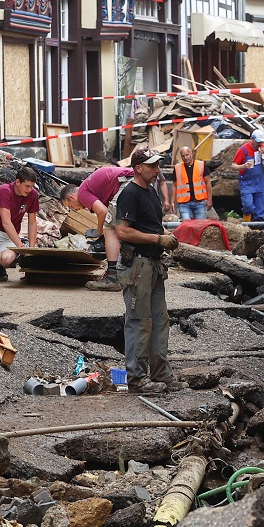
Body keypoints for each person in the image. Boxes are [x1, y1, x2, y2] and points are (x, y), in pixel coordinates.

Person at [114, 148, 185, 394]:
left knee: (159, 320)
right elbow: (122, 231)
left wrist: (164, 236)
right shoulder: (130, 194)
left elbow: (150, 225)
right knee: (139, 321)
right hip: (137, 266)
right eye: (152, 166)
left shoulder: (151, 192)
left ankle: (160, 373)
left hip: (152, 264)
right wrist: (157, 239)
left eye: (157, 166)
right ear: (138, 168)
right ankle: (136, 378)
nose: (157, 171)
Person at [60, 164, 135, 291]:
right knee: (125, 226)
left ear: (72, 197)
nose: (75, 210)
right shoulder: (92, 188)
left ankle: (112, 277)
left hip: (127, 182)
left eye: (71, 206)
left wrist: (99, 232)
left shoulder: (83, 193)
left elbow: (103, 212)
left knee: (109, 228)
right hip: (136, 179)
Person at [0, 166, 40, 284]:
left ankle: (0, 266)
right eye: (27, 186)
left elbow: (32, 222)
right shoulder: (5, 190)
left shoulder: (33, 195)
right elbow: (6, 222)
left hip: (7, 237)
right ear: (17, 182)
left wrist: (31, 250)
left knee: (7, 259)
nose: (29, 190)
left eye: (32, 187)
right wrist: (20, 246)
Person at [231, 129, 264, 222]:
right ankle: (246, 223)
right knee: (248, 205)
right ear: (252, 139)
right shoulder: (243, 150)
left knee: (260, 208)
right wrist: (243, 166)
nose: (259, 144)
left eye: (261, 142)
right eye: (257, 142)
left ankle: (257, 229)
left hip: (260, 182)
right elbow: (233, 166)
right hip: (247, 182)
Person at [172, 145, 213, 220]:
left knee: (199, 226)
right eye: (183, 156)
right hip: (184, 202)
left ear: (191, 154)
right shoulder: (177, 168)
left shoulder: (201, 165)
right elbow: (174, 185)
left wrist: (209, 199)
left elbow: (208, 182)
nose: (185, 157)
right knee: (187, 226)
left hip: (199, 202)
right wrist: (172, 202)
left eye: (187, 155)